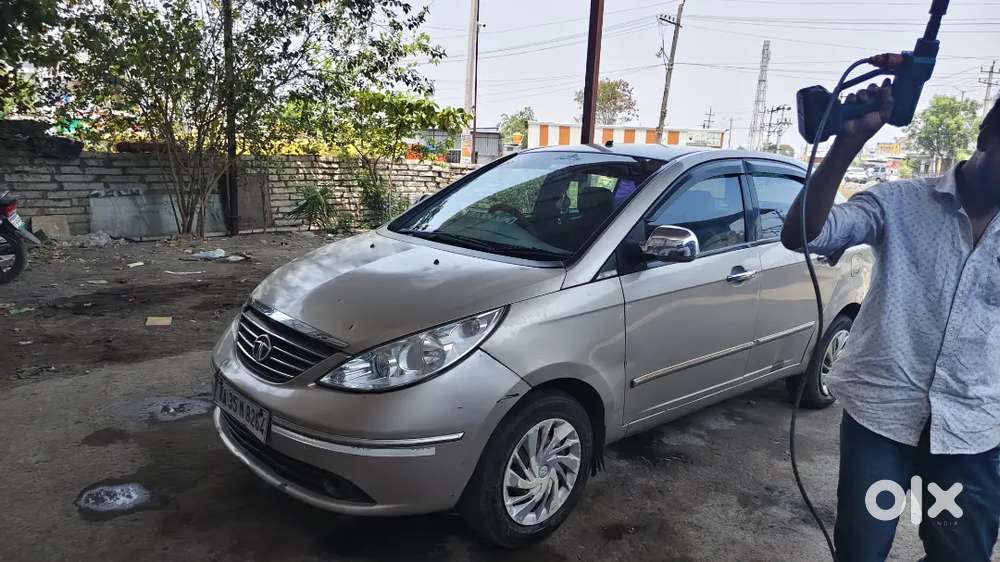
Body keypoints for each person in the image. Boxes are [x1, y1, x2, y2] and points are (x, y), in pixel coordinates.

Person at [782, 84, 1000, 562]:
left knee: (960, 555)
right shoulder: (901, 202)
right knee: (861, 552)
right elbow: (803, 234)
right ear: (988, 134)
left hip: (971, 432)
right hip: (881, 422)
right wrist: (847, 144)